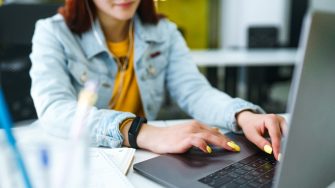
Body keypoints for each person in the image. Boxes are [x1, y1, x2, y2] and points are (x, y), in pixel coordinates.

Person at [30, 0, 286, 161]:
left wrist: (243, 115)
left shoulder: (164, 32)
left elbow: (194, 91)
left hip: (141, 157)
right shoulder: (52, 32)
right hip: (79, 161)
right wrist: (140, 132)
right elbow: (54, 108)